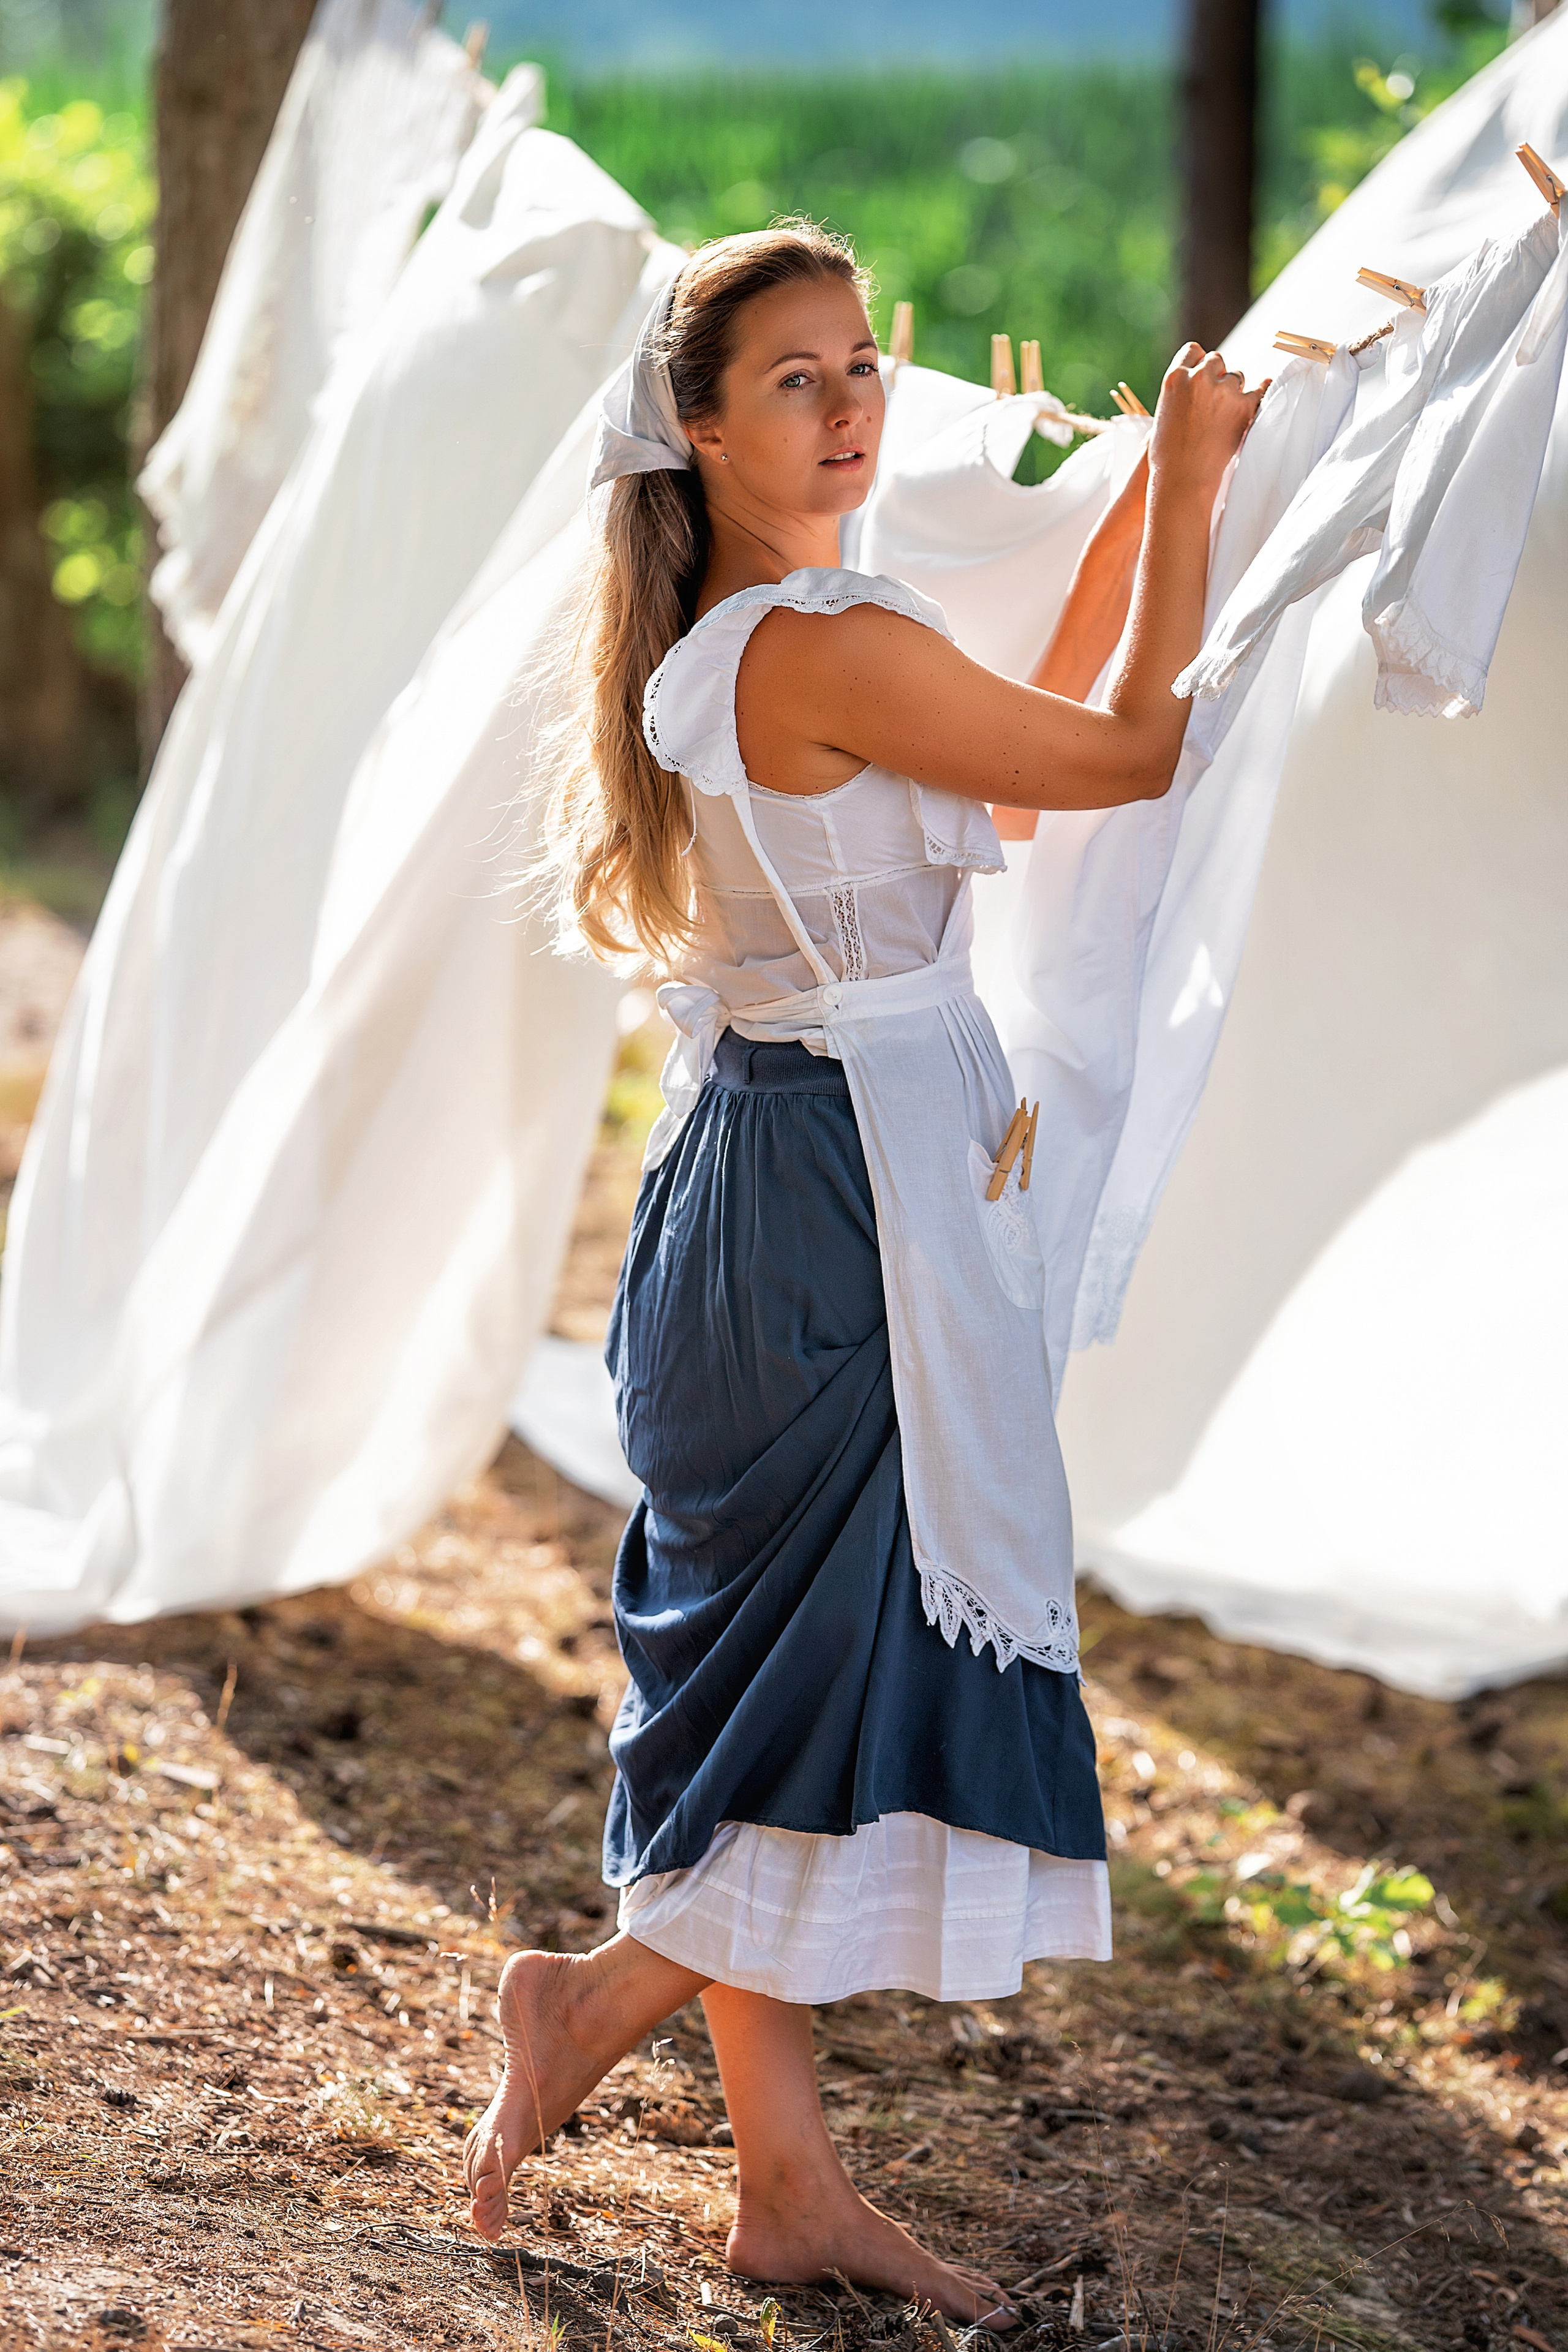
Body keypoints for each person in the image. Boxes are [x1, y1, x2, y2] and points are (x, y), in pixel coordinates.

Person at [464, 221, 1262, 2320]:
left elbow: (1038, 691)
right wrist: (1184, 490)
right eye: (796, 379)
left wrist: (1138, 522)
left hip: (792, 1172)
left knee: (802, 1680)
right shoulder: (808, 642)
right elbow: (1122, 752)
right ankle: (603, 2013)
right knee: (816, 1681)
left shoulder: (789, 626)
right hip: (824, 1203)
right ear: (701, 431)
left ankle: (784, 2184)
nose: (849, 409)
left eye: (859, 366)